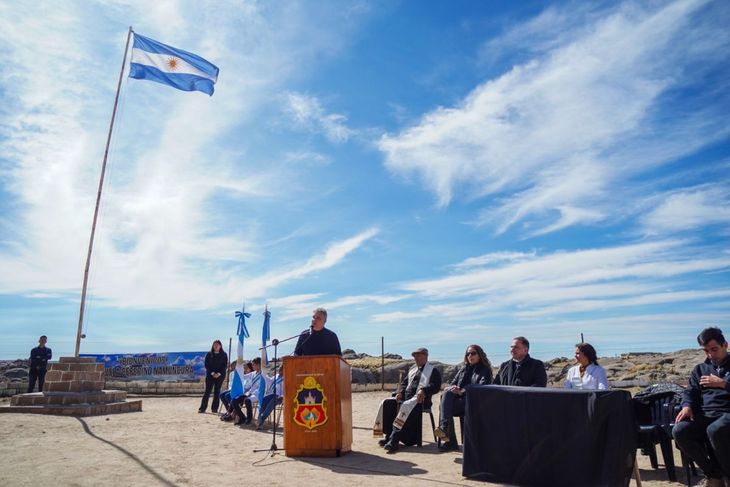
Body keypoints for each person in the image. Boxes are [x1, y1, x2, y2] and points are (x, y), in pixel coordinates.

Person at [673, 327, 730, 486]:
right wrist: (687, 406)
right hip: (706, 413)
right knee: (680, 430)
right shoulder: (700, 369)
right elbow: (690, 391)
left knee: (715, 430)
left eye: (714, 349)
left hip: (727, 413)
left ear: (725, 345)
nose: (711, 354)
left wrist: (723, 384)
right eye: (706, 351)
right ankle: (714, 475)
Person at [374, 347, 442, 453]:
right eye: (415, 356)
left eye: (419, 355)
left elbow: (435, 386)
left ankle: (394, 441)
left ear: (426, 356)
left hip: (421, 400)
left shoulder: (433, 371)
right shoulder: (413, 370)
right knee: (387, 403)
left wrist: (423, 390)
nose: (416, 358)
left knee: (405, 406)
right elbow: (404, 384)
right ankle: (388, 435)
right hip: (406, 398)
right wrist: (400, 392)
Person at [434, 344, 493, 451]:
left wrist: (462, 391)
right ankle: (445, 428)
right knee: (446, 394)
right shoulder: (463, 369)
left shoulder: (485, 370)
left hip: (474, 402)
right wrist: (453, 388)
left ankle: (447, 435)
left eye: (473, 353)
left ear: (479, 355)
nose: (470, 355)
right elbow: (453, 383)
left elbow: (482, 386)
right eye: (468, 353)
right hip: (460, 401)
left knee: (445, 406)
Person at [198, 340, 228, 413]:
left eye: (217, 345)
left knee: (217, 392)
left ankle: (214, 409)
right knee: (207, 391)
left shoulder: (224, 354)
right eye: (214, 345)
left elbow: (224, 366)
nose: (216, 346)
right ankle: (202, 408)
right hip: (210, 375)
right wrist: (212, 373)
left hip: (220, 376)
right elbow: (207, 365)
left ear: (220, 346)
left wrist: (219, 374)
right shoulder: (209, 354)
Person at [231, 357, 262, 425]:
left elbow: (261, 388)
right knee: (234, 401)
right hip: (249, 393)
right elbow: (244, 377)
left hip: (257, 394)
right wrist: (238, 372)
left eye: (254, 364)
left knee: (248, 400)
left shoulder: (263, 375)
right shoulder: (253, 373)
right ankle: (242, 418)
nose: (252, 366)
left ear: (259, 365)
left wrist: (250, 394)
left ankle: (249, 418)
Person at [256, 362, 284, 430]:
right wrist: (264, 375)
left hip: (280, 397)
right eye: (280, 369)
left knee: (272, 401)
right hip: (272, 394)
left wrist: (282, 396)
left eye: (282, 369)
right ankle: (260, 420)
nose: (280, 371)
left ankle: (261, 420)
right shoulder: (277, 376)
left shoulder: (287, 378)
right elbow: (270, 381)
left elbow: (287, 389)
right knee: (264, 400)